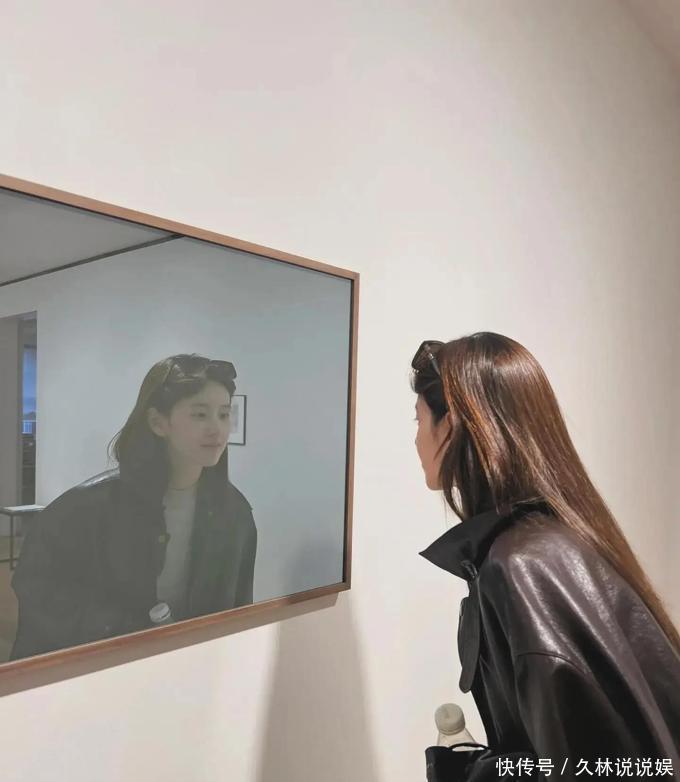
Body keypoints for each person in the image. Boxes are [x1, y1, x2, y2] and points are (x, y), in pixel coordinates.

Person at [412, 333, 680, 778]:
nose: (416, 439)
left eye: (419, 419)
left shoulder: (521, 566)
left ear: (452, 425)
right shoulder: (558, 538)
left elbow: (585, 769)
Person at [11, 354, 256, 660]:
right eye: (200, 415)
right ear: (157, 422)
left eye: (224, 415)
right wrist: (125, 630)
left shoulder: (235, 514)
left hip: (189, 667)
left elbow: (238, 606)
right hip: (103, 668)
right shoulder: (85, 508)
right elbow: (38, 588)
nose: (217, 429)